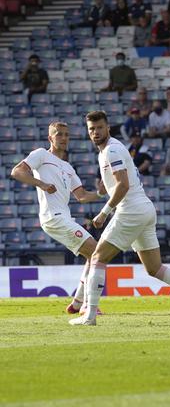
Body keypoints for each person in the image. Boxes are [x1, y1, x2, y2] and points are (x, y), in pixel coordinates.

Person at [69, 111, 170, 326]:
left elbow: (123, 185)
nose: (95, 132)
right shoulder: (109, 150)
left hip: (131, 210)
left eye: (99, 127)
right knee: (154, 268)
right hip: (144, 209)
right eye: (91, 129)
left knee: (98, 258)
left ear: (108, 127)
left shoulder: (112, 149)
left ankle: (89, 316)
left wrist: (103, 213)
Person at [11, 122, 105, 316]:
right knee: (96, 252)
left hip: (64, 217)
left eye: (66, 135)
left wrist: (102, 193)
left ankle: (78, 303)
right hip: (52, 217)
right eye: (59, 134)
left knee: (94, 254)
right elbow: (17, 171)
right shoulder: (41, 155)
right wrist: (42, 184)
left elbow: (82, 196)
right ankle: (86, 304)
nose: (63, 138)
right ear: (50, 138)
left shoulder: (68, 167)